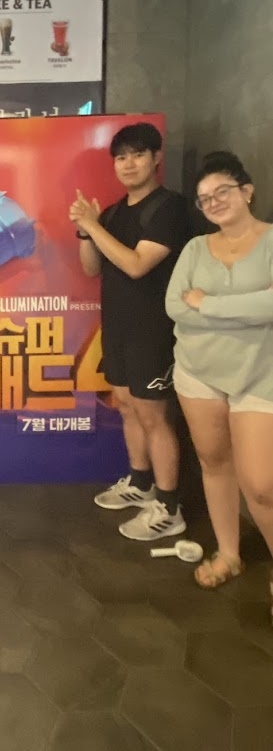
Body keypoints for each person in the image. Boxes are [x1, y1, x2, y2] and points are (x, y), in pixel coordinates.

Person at [69, 122, 190, 540]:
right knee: (125, 405)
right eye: (121, 157)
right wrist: (85, 229)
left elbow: (138, 265)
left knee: (154, 416)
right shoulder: (114, 212)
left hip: (154, 331)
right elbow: (91, 267)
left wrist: (94, 226)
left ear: (157, 158)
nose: (128, 164)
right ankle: (140, 483)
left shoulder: (170, 209)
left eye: (138, 154)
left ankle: (169, 507)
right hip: (118, 328)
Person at [165, 151, 273, 603]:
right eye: (205, 198)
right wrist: (249, 310)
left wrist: (207, 304)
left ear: (247, 190)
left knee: (261, 486)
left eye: (222, 191)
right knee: (213, 462)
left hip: (260, 374)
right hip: (198, 372)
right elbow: (174, 306)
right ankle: (229, 553)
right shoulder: (195, 248)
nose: (213, 202)